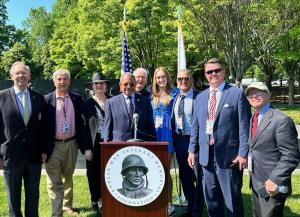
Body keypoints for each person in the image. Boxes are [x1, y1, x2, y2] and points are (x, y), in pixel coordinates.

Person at [188, 58, 251, 217]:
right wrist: (191, 150)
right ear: (205, 74)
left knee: (232, 200)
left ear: (223, 72)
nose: (213, 74)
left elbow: (244, 125)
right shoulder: (200, 97)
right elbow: (196, 126)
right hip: (205, 157)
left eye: (217, 70)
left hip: (229, 156)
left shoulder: (237, 94)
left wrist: (243, 153)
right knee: (211, 200)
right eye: (210, 71)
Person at [245, 82, 300, 217]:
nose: (254, 95)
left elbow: (291, 156)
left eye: (259, 91)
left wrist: (275, 180)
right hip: (257, 182)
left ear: (269, 95)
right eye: (251, 93)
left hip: (273, 186)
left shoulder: (281, 120)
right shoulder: (254, 117)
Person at [0, 61, 47, 217]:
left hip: (34, 156)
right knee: (13, 198)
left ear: (29, 76)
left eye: (24, 73)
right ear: (11, 76)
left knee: (33, 195)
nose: (21, 76)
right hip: (11, 156)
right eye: (17, 73)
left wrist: (44, 150)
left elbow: (43, 128)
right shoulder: (1, 97)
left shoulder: (39, 98)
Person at [44, 69, 84, 217]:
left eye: (65, 79)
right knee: (54, 180)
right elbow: (41, 127)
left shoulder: (76, 99)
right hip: (52, 145)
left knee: (68, 175)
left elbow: (81, 122)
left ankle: (67, 206)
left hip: (71, 143)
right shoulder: (46, 100)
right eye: (59, 79)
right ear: (54, 81)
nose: (62, 82)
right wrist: (42, 148)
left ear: (69, 81)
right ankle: (56, 212)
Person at [171, 69, 204, 217]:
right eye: (180, 79)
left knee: (198, 177)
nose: (183, 82)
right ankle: (191, 207)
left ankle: (198, 210)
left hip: (195, 143)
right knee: (185, 177)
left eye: (186, 79)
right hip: (180, 142)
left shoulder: (199, 98)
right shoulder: (176, 97)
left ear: (192, 80)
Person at [151, 67, 179, 216]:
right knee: (155, 170)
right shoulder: (153, 96)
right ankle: (157, 201)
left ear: (168, 78)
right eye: (158, 77)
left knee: (165, 171)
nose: (161, 80)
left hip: (167, 136)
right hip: (155, 136)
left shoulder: (175, 94)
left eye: (163, 77)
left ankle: (168, 202)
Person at [81, 72, 111, 210]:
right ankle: (96, 199)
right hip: (94, 142)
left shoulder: (113, 100)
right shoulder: (86, 104)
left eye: (101, 83)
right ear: (92, 86)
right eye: (96, 83)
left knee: (109, 170)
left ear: (105, 85)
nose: (99, 85)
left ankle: (109, 197)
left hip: (110, 141)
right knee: (93, 172)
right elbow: (84, 128)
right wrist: (87, 148)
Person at [103, 72, 155, 142]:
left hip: (141, 146)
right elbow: (107, 128)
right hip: (118, 146)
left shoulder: (145, 102)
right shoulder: (111, 103)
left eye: (131, 84)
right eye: (125, 84)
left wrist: (153, 144)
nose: (128, 87)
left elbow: (150, 127)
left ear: (135, 85)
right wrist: (106, 146)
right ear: (120, 85)